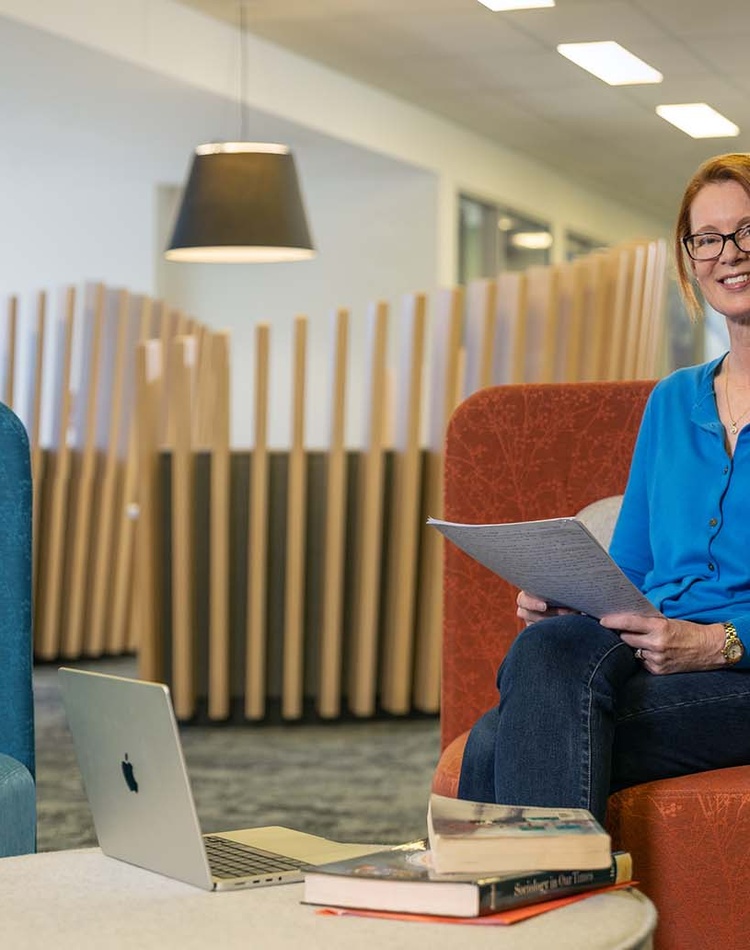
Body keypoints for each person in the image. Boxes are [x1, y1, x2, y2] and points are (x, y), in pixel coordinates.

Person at [457, 152, 750, 825]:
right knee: (549, 644)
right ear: (690, 258)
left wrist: (716, 642)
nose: (729, 254)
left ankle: (535, 895)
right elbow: (635, 568)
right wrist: (582, 602)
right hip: (649, 654)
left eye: (746, 230)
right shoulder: (673, 399)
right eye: (707, 239)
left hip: (737, 668)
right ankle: (556, 889)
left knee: (496, 741)